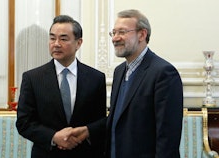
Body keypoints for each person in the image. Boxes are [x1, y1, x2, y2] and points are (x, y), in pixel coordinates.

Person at [16, 15, 107, 158]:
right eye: (52, 38)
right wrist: (53, 137)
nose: (56, 44)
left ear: (78, 43)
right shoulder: (32, 78)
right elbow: (24, 123)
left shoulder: (96, 78)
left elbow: (101, 121)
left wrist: (85, 132)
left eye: (63, 39)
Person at [105, 9, 183, 158]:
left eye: (122, 32)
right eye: (113, 33)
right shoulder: (119, 71)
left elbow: (167, 137)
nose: (115, 38)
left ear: (142, 34)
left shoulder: (164, 73)